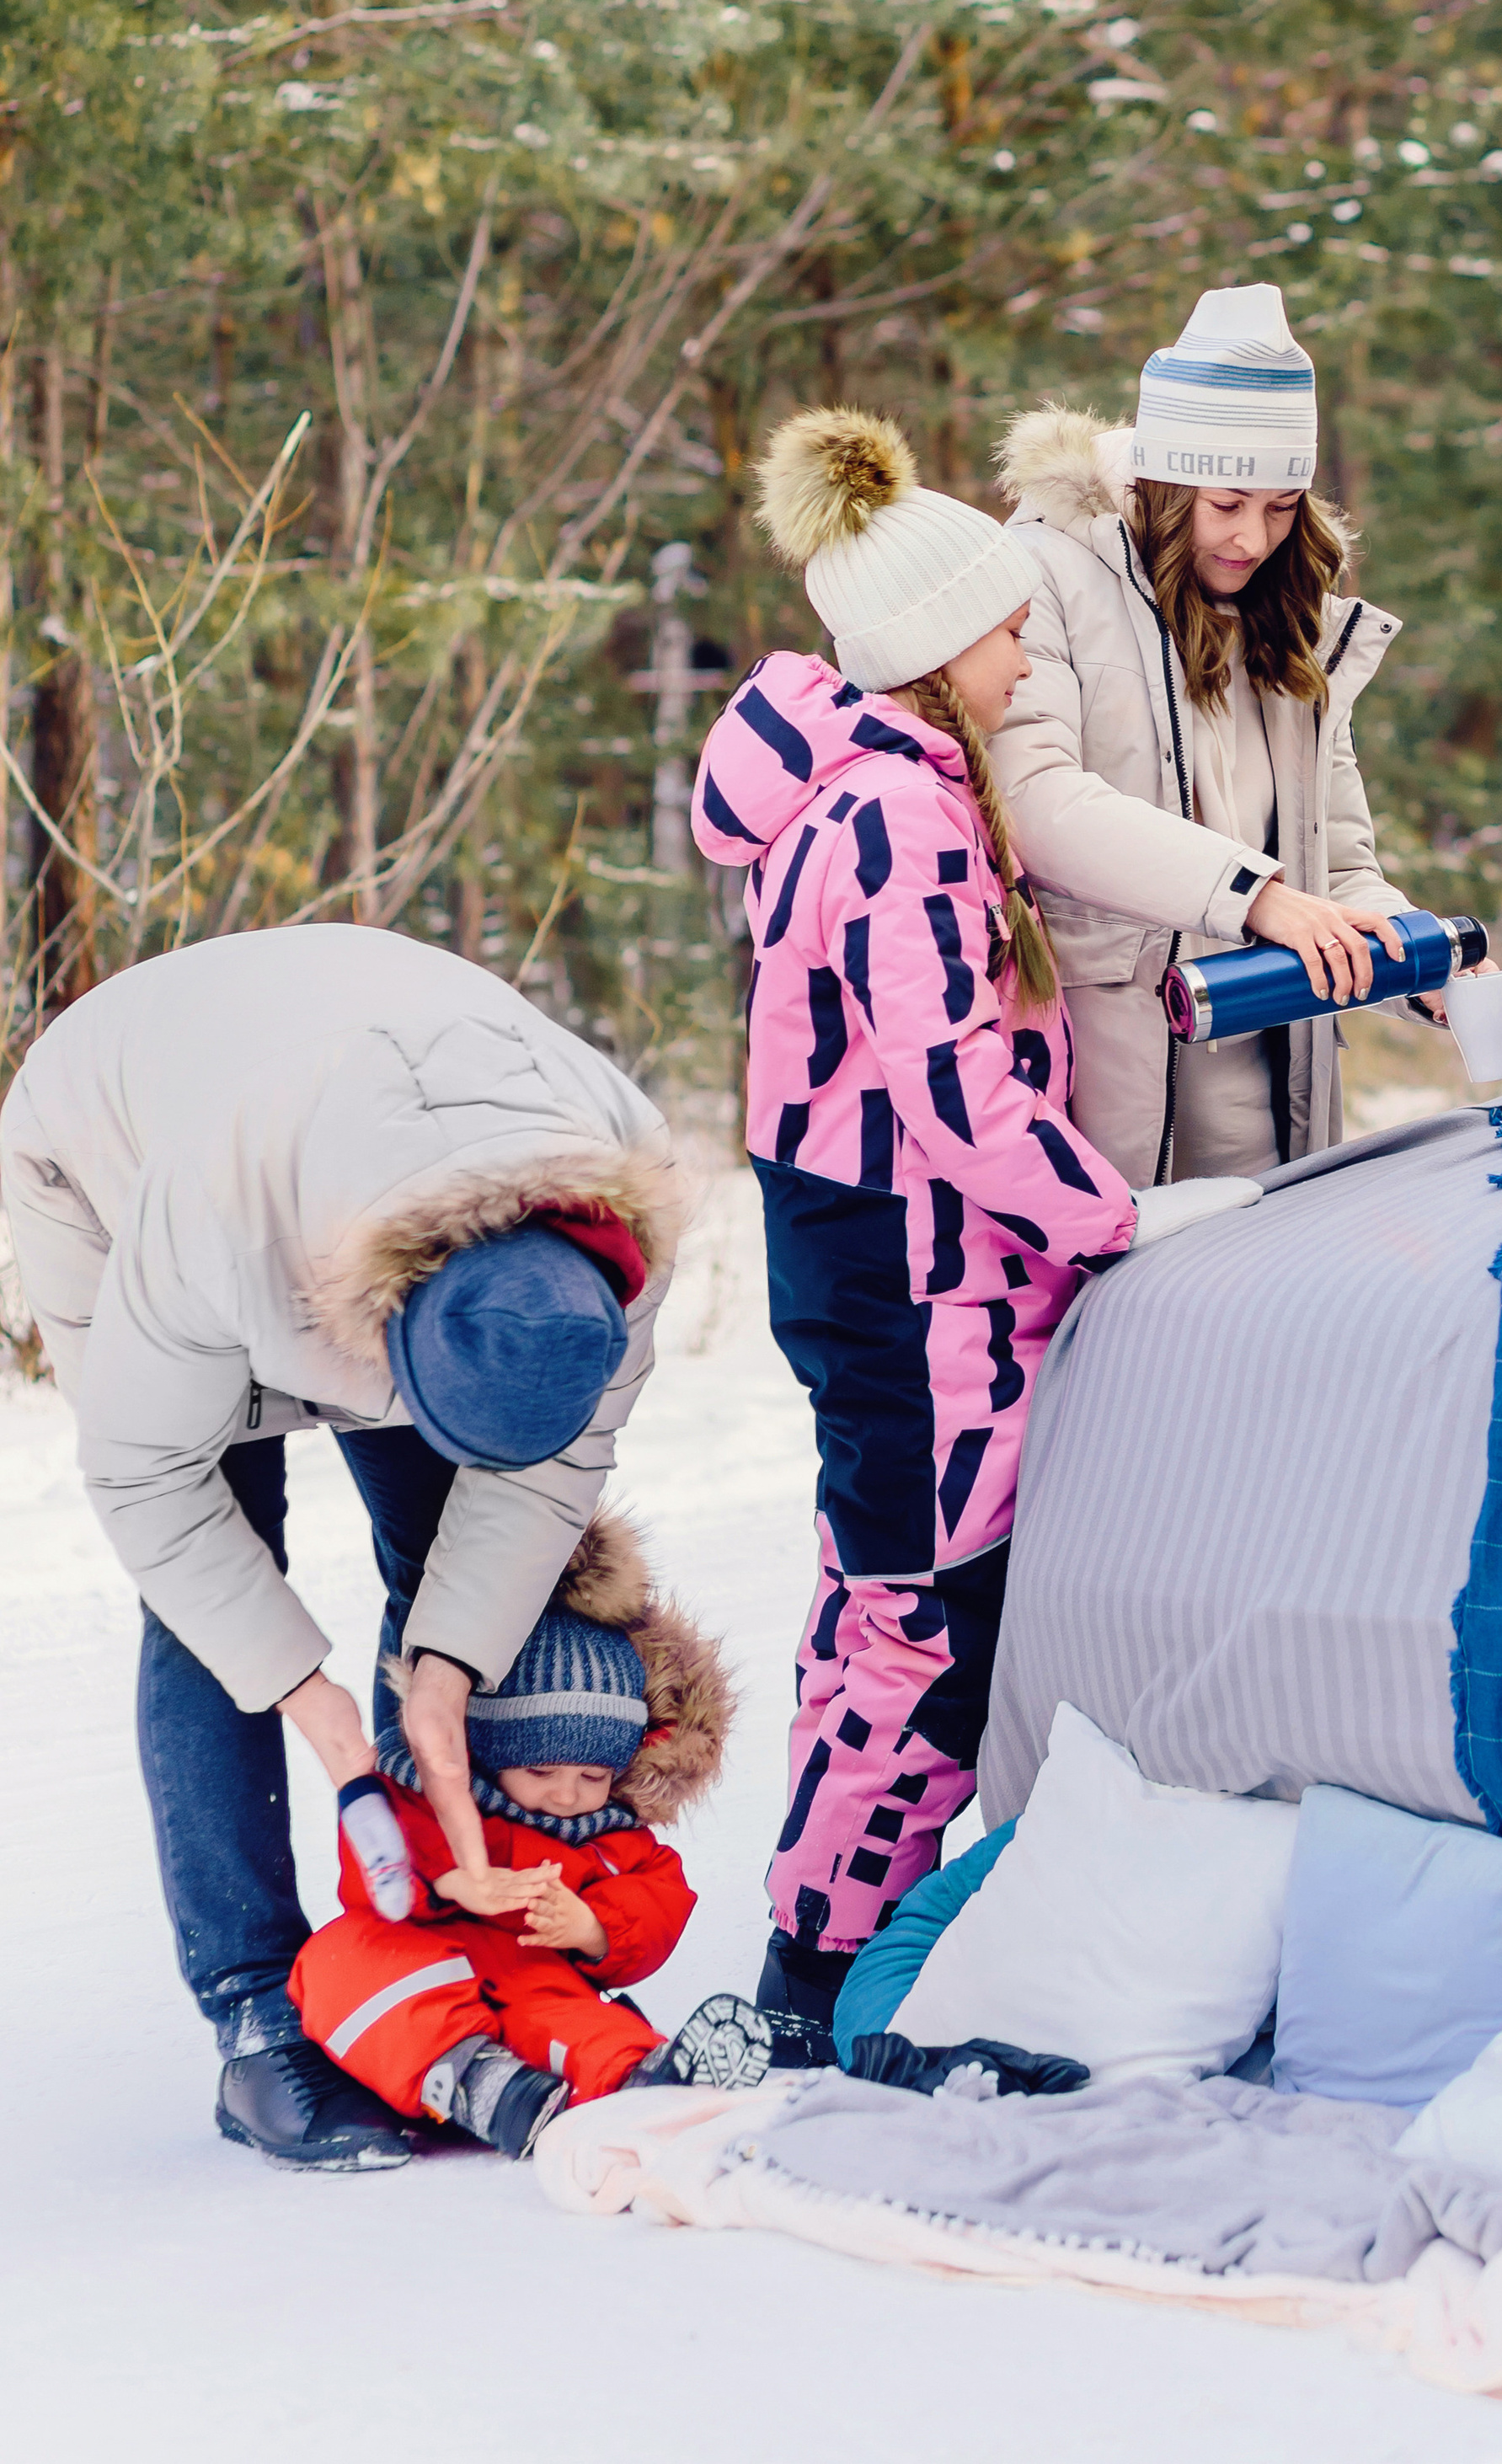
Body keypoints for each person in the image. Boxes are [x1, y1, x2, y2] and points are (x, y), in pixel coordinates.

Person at [0, 926, 681, 2171]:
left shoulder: (622, 1222)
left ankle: (461, 1958)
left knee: (458, 1566)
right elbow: (145, 1481)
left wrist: (445, 1678)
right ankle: (259, 2010)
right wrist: (320, 1713)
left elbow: (540, 1485)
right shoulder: (222, 1215)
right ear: (390, 1329)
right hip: (124, 1158)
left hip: (368, 1132)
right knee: (217, 1587)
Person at [692, 408, 1141, 2025]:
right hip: (909, 1277)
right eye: (1012, 633)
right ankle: (817, 1978)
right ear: (943, 650)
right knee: (920, 1624)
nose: (1027, 663)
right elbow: (953, 1097)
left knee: (893, 1599)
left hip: (887, 1267)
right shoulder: (895, 821)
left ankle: (865, 1940)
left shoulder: (877, 783)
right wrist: (1114, 1222)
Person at [992, 281, 1419, 1190]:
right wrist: (1254, 897)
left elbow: (1333, 859)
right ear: (1164, 480)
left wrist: (1414, 952)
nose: (1253, 537)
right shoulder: (1046, 573)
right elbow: (1035, 799)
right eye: (1226, 503)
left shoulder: (1288, 615)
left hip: (1269, 1062)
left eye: (1281, 505)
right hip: (1109, 1061)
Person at [290, 1510, 730, 2157]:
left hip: (537, 1976)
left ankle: (647, 2082)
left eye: (593, 1773)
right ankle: (474, 2080)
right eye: (542, 1769)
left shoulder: (614, 1841)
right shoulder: (432, 1802)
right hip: (419, 1963)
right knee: (333, 1963)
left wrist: (594, 1927)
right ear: (486, 1748)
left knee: (581, 2022)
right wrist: (448, 1882)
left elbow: (661, 1901)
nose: (567, 1793)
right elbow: (371, 1862)